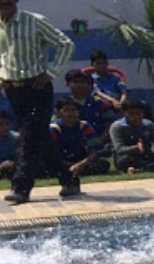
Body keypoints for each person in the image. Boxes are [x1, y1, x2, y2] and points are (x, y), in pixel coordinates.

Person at [0, 0, 77, 204]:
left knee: (29, 137)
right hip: (12, 89)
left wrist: (51, 72)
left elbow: (65, 44)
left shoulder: (35, 21)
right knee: (38, 137)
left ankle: (21, 187)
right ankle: (69, 178)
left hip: (37, 87)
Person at [49, 98, 111, 177]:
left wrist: (81, 164)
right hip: (61, 162)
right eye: (66, 110)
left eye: (74, 110)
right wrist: (70, 165)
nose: (71, 113)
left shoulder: (84, 126)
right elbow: (51, 154)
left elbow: (94, 151)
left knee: (103, 164)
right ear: (58, 112)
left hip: (82, 161)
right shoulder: (54, 129)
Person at [0, 109, 18, 180]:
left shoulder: (16, 138)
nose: (5, 127)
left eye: (7, 124)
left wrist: (12, 163)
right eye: (0, 124)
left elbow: (21, 158)